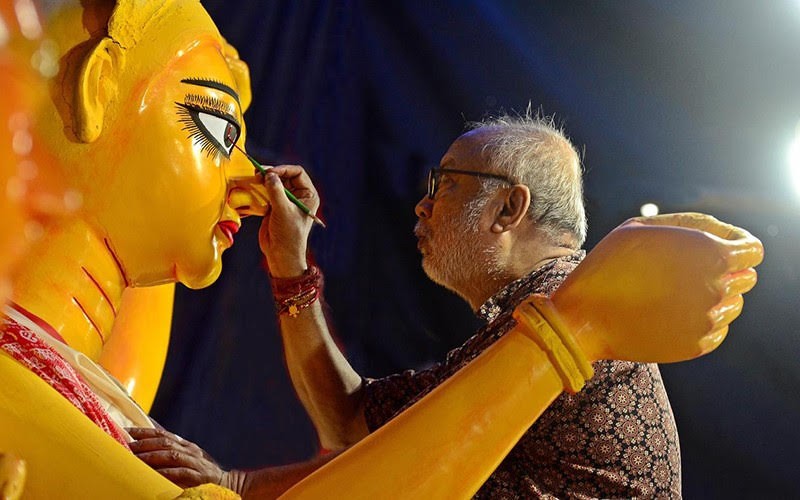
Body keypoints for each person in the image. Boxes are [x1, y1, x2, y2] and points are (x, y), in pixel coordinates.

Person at [130, 113, 762, 498]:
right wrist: (288, 267)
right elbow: (354, 425)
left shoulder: (560, 305)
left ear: (508, 208)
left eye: (446, 183)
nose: (422, 204)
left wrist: (235, 486)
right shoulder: (532, 312)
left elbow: (372, 453)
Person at [0, 0, 265, 497]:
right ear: (99, 87)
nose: (255, 188)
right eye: (217, 132)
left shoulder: (96, 397)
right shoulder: (16, 370)